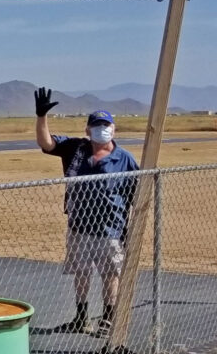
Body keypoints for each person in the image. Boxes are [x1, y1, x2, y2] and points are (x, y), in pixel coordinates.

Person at [34, 87, 139, 337]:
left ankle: (108, 318)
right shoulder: (75, 149)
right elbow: (47, 144)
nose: (101, 129)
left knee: (110, 274)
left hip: (110, 229)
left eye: (106, 125)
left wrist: (131, 228)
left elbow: (137, 194)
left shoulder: (124, 159)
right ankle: (81, 318)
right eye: (96, 125)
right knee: (80, 272)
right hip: (79, 226)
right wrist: (41, 117)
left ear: (114, 130)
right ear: (87, 129)